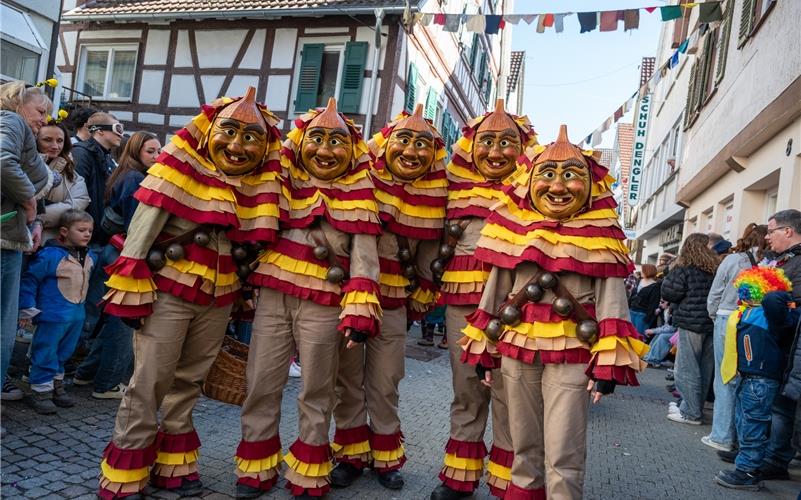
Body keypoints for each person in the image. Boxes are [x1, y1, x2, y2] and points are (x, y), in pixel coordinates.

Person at [96, 86, 284, 498]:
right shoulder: (176, 171)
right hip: (169, 291)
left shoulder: (259, 189)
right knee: (149, 379)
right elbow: (139, 236)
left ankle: (172, 466)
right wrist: (131, 290)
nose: (237, 145)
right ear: (208, 130)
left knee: (189, 382)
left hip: (219, 298)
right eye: (230, 131)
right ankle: (127, 470)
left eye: (251, 137)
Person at [459, 124, 646, 499]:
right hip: (515, 349)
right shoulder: (511, 229)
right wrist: (484, 353)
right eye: (547, 175)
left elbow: (612, 302)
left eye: (570, 176)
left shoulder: (602, 236)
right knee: (523, 447)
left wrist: (608, 366)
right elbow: (493, 295)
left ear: (590, 186)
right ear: (530, 183)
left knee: (564, 452)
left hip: (572, 354)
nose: (558, 187)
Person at [235, 98, 382, 499]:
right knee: (261, 382)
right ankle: (256, 466)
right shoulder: (279, 180)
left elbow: (365, 262)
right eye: (316, 138)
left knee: (316, 389)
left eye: (336, 141)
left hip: (325, 301)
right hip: (273, 294)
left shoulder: (361, 194)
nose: (325, 150)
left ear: (351, 151)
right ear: (301, 142)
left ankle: (309, 467)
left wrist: (360, 314)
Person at [330, 105, 446, 491]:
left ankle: (384, 456)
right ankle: (349, 455)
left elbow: (430, 253)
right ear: (387, 143)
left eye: (421, 145)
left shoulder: (433, 194)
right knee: (347, 380)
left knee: (385, 381)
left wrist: (423, 293)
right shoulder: (359, 178)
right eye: (404, 141)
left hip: (394, 300)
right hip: (349, 297)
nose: (412, 152)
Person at [430, 100, 537, 500]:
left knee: (511, 396)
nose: (495, 153)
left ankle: (510, 480)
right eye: (486, 141)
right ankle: (459, 478)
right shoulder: (449, 189)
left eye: (507, 142)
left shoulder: (538, 190)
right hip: (462, 304)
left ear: (523, 146)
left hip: (517, 311)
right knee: (467, 392)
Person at [73, 131, 161, 399]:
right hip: (125, 253)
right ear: (136, 152)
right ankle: (108, 382)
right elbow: (139, 225)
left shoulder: (129, 174)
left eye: (159, 151)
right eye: (151, 151)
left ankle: (86, 373)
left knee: (114, 316)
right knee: (124, 320)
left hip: (115, 250)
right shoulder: (135, 178)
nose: (157, 157)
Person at [714, 269, 796, 490]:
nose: (744, 293)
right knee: (745, 423)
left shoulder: (772, 313)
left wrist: (780, 291)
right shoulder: (748, 312)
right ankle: (746, 464)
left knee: (753, 426)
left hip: (760, 380)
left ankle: (748, 472)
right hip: (749, 379)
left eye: (750, 289)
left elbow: (773, 301)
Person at [0, 81, 57, 400]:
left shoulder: (11, 123)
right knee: (3, 330)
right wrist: (29, 201)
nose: (44, 119)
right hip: (3, 240)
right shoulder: (11, 121)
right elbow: (3, 162)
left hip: (10, 234)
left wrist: (33, 218)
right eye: (40, 110)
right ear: (17, 102)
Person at [18, 209, 95, 414]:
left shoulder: (89, 256)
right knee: (46, 350)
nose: (87, 234)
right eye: (81, 230)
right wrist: (27, 306)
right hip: (52, 315)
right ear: (64, 231)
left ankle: (55, 385)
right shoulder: (50, 255)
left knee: (64, 352)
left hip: (76, 315)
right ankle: (40, 390)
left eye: (90, 230)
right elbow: (31, 279)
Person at [704, 223, 768, 452]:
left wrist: (714, 315)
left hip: (728, 318)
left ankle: (721, 435)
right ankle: (740, 436)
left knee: (725, 375)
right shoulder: (769, 263)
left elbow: (716, 293)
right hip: (756, 322)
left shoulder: (733, 260)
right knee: (745, 379)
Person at [757, 209, 801, 480]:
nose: (766, 236)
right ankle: (768, 453)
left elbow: (793, 299)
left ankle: (776, 459)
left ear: (788, 231)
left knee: (783, 404)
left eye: (770, 230)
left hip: (788, 340)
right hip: (781, 338)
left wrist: (773, 300)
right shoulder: (786, 259)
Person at [661, 233, 719, 425]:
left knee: (686, 368)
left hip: (690, 322)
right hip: (711, 322)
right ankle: (693, 407)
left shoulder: (684, 267)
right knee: (704, 368)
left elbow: (670, 292)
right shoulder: (715, 267)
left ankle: (690, 411)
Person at [72, 112, 122, 243]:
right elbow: (76, 195)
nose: (120, 134)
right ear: (99, 131)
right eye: (118, 128)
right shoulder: (81, 153)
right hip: (85, 234)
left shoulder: (107, 157)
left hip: (98, 232)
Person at [36, 121, 90, 241]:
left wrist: (39, 218)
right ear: (35, 140)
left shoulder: (71, 173)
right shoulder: (22, 165)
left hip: (51, 244)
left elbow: (79, 202)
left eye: (60, 141)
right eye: (47, 140)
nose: (55, 146)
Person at [629, 264, 661, 334]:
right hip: (631, 311)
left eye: (642, 270)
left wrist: (647, 319)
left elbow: (653, 304)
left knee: (639, 337)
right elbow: (632, 296)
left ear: (647, 271)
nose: (641, 272)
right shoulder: (639, 281)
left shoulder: (655, 286)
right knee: (630, 336)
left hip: (642, 315)